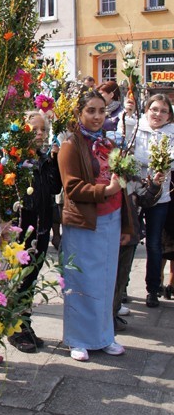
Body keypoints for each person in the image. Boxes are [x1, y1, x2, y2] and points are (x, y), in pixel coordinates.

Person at [57, 90, 132, 362]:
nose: (97, 116)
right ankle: (77, 338)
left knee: (105, 280)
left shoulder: (107, 143)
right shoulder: (70, 145)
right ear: (79, 113)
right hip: (84, 222)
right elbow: (72, 187)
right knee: (81, 279)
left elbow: (119, 184)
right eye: (91, 110)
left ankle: (103, 336)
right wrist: (107, 190)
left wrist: (125, 221)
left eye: (101, 111)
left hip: (110, 219)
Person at [9, 111, 62, 353]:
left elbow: (54, 188)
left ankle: (25, 323)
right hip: (20, 231)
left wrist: (54, 161)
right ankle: (15, 328)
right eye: (35, 129)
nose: (40, 134)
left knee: (30, 279)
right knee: (18, 279)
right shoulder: (13, 159)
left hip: (41, 230)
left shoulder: (46, 159)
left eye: (44, 130)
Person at [129, 93, 174, 307]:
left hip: (160, 198)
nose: (158, 114)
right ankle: (122, 288)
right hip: (135, 194)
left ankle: (153, 288)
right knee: (129, 241)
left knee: (154, 244)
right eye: (154, 109)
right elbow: (129, 157)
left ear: (169, 116)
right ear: (147, 110)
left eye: (163, 111)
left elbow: (171, 164)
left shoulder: (172, 134)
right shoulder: (135, 128)